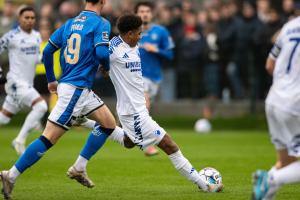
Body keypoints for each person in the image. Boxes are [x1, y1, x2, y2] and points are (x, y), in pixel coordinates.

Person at [68, 14, 223, 193]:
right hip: (134, 112)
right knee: (169, 145)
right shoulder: (113, 48)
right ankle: (205, 185)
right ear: (129, 33)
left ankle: (83, 121)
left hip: (134, 108)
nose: (141, 36)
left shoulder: (133, 44)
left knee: (128, 142)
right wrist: (98, 71)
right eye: (139, 33)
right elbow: (93, 61)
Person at [0, 0, 123, 199]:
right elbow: (101, 52)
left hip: (78, 87)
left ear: (85, 1)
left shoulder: (70, 23)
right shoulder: (102, 23)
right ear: (103, 2)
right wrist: (106, 67)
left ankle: (79, 167)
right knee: (48, 138)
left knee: (109, 124)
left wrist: (51, 80)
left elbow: (48, 51)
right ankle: (11, 175)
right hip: (75, 89)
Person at [252, 13, 300, 200]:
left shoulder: (289, 26)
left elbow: (269, 64)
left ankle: (263, 194)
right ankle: (270, 179)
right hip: (295, 104)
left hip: (274, 100)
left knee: (286, 161)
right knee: (282, 169)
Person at [0, 6, 48, 155]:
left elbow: (36, 57)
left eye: (32, 18)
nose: (29, 20)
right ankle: (20, 140)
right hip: (15, 82)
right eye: (26, 18)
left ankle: (19, 139)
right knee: (41, 106)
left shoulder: (37, 36)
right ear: (19, 19)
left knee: (4, 119)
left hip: (28, 83)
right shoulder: (11, 36)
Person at [135, 1, 175, 156]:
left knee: (140, 112)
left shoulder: (161, 31)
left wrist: (156, 50)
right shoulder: (131, 32)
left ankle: (122, 129)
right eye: (141, 11)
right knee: (144, 108)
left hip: (154, 78)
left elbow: (170, 55)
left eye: (147, 11)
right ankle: (147, 145)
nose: (144, 14)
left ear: (151, 14)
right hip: (137, 78)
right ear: (136, 14)